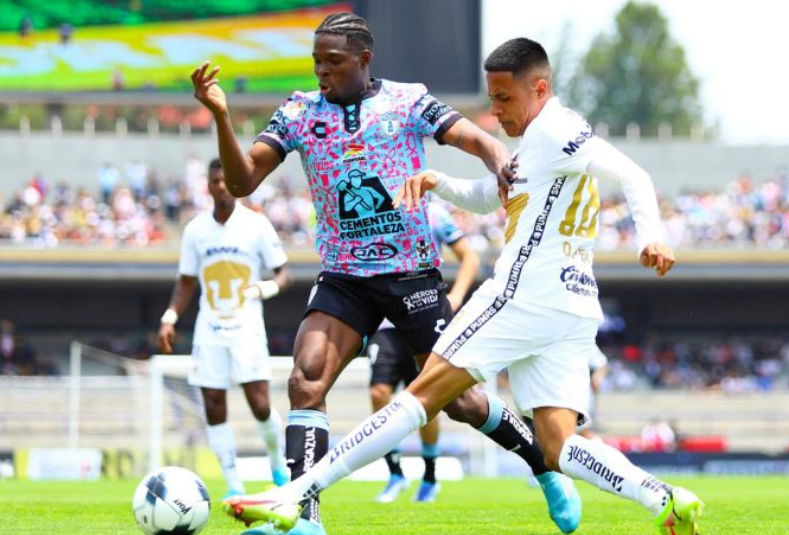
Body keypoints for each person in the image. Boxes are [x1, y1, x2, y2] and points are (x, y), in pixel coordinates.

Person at [224, 38, 705, 535]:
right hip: (571, 308)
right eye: (491, 99)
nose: (495, 111)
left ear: (540, 89)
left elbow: (631, 173)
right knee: (557, 445)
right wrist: (437, 180)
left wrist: (652, 234)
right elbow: (489, 197)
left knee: (419, 397)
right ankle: (662, 497)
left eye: (504, 98)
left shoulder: (557, 131)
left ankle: (293, 495)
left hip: (520, 296)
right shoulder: (539, 140)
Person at [194, 13, 580, 535]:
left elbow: (471, 137)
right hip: (344, 277)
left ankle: (543, 465)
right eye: (316, 62)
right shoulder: (299, 112)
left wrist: (497, 159)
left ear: (364, 59)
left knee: (461, 402)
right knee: (305, 380)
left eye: (333, 62)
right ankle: (303, 518)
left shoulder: (406, 100)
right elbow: (242, 183)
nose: (322, 72)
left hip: (411, 275)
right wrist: (221, 116)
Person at [157, 158, 293, 501]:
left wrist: (266, 288)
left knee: (259, 404)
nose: (221, 186)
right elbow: (186, 281)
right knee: (214, 404)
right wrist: (170, 317)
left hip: (247, 326)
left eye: (226, 180)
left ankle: (278, 466)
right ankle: (234, 484)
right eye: (215, 181)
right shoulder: (195, 230)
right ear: (207, 185)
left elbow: (284, 274)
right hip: (210, 327)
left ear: (236, 183)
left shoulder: (256, 225)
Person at [369, 203, 480, 503]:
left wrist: (456, 296)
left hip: (423, 317)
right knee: (379, 392)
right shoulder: (376, 206)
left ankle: (430, 476)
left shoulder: (435, 213)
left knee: (426, 398)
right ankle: (395, 474)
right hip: (386, 325)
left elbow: (469, 257)